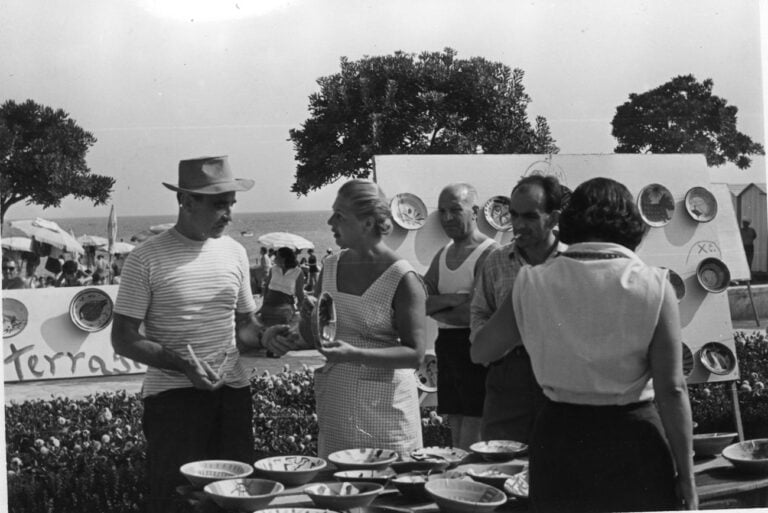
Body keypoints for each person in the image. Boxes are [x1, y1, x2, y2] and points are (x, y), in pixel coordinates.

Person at [474, 177, 697, 512]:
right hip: (634, 436)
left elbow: (482, 351)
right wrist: (688, 477)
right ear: (631, 226)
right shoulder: (655, 284)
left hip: (561, 436)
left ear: (568, 222)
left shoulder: (531, 281)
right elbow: (673, 389)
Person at [111, 155, 262, 513]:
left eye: (231, 204)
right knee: (176, 501)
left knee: (237, 499)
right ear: (186, 201)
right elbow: (123, 338)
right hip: (173, 402)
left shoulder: (235, 252)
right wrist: (183, 366)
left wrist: (272, 337)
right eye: (219, 204)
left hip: (233, 395)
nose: (229, 214)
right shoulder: (145, 259)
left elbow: (246, 328)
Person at [264, 179, 427, 458]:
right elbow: (313, 336)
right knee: (340, 491)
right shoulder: (330, 265)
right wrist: (286, 333)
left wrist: (355, 354)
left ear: (367, 223)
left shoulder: (403, 278)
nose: (330, 221)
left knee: (388, 490)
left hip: (386, 411)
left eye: (339, 215)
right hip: (339, 405)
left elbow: (415, 354)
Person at [470, 174, 567, 443]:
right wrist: (492, 351)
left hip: (562, 375)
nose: (518, 225)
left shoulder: (574, 261)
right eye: (514, 215)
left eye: (530, 216)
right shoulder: (497, 260)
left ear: (553, 218)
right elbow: (480, 311)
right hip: (508, 376)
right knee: (500, 459)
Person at [423, 183, 497, 450]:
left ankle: (469, 480)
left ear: (474, 211)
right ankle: (457, 479)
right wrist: (456, 299)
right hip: (447, 345)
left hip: (474, 346)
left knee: (475, 424)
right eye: (442, 211)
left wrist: (437, 305)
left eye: (455, 210)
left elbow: (471, 314)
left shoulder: (490, 252)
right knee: (454, 419)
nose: (447, 218)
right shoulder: (442, 254)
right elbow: (419, 302)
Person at [260, 246, 305, 326]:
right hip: (269, 304)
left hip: (285, 306)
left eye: (277, 256)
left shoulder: (298, 272)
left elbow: (300, 294)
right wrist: (263, 305)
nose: (274, 258)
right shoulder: (273, 269)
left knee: (281, 319)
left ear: (284, 258)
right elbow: (266, 288)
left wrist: (302, 309)